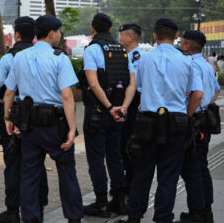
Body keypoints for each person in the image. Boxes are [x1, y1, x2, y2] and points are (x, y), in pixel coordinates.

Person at [4, 15, 83, 223]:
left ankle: (31, 219)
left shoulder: (19, 57)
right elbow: (67, 96)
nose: (59, 35)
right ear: (51, 33)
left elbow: (9, 92)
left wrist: (7, 118)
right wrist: (72, 128)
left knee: (29, 174)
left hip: (28, 124)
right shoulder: (60, 58)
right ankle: (74, 218)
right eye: (59, 32)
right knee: (66, 171)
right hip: (55, 125)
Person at [117, 18, 193, 223]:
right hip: (176, 123)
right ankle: (163, 218)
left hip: (147, 123)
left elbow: (138, 86)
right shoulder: (186, 60)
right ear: (177, 35)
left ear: (155, 35)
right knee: (168, 177)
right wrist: (186, 116)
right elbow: (193, 92)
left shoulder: (144, 59)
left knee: (142, 173)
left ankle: (134, 217)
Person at [0, 16, 49, 223]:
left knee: (14, 164)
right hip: (40, 119)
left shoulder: (10, 58)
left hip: (14, 118)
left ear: (16, 34)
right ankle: (38, 209)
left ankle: (13, 212)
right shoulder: (44, 55)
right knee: (37, 163)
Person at [80, 13, 136, 218]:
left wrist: (109, 106)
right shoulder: (122, 50)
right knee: (115, 156)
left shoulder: (92, 49)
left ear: (92, 29)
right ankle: (119, 200)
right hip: (119, 113)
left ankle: (101, 202)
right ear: (111, 29)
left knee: (96, 157)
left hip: (99, 112)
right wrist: (123, 107)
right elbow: (132, 83)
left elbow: (93, 84)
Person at [179, 30, 219, 223]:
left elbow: (198, 94)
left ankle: (196, 212)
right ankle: (205, 210)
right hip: (204, 120)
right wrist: (204, 109)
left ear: (187, 46)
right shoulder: (206, 64)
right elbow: (216, 91)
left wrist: (188, 116)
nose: (179, 45)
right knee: (202, 167)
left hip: (194, 122)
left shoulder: (192, 65)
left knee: (191, 169)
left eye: (181, 42)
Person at [118, 23, 143, 193]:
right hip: (131, 103)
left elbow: (136, 86)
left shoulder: (137, 58)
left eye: (121, 36)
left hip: (135, 105)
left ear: (130, 37)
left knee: (129, 146)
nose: (119, 39)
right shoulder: (129, 55)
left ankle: (131, 185)